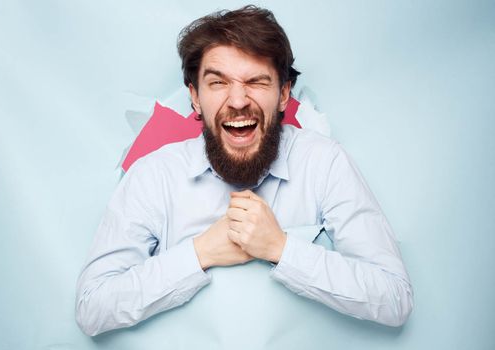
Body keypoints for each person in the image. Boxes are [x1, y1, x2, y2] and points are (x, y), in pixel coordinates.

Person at [75, 5, 413, 337]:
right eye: (218, 83)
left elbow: (394, 297)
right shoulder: (153, 176)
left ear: (283, 94)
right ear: (195, 96)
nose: (238, 100)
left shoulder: (323, 163)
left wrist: (281, 248)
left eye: (256, 81)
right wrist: (201, 252)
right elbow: (93, 308)